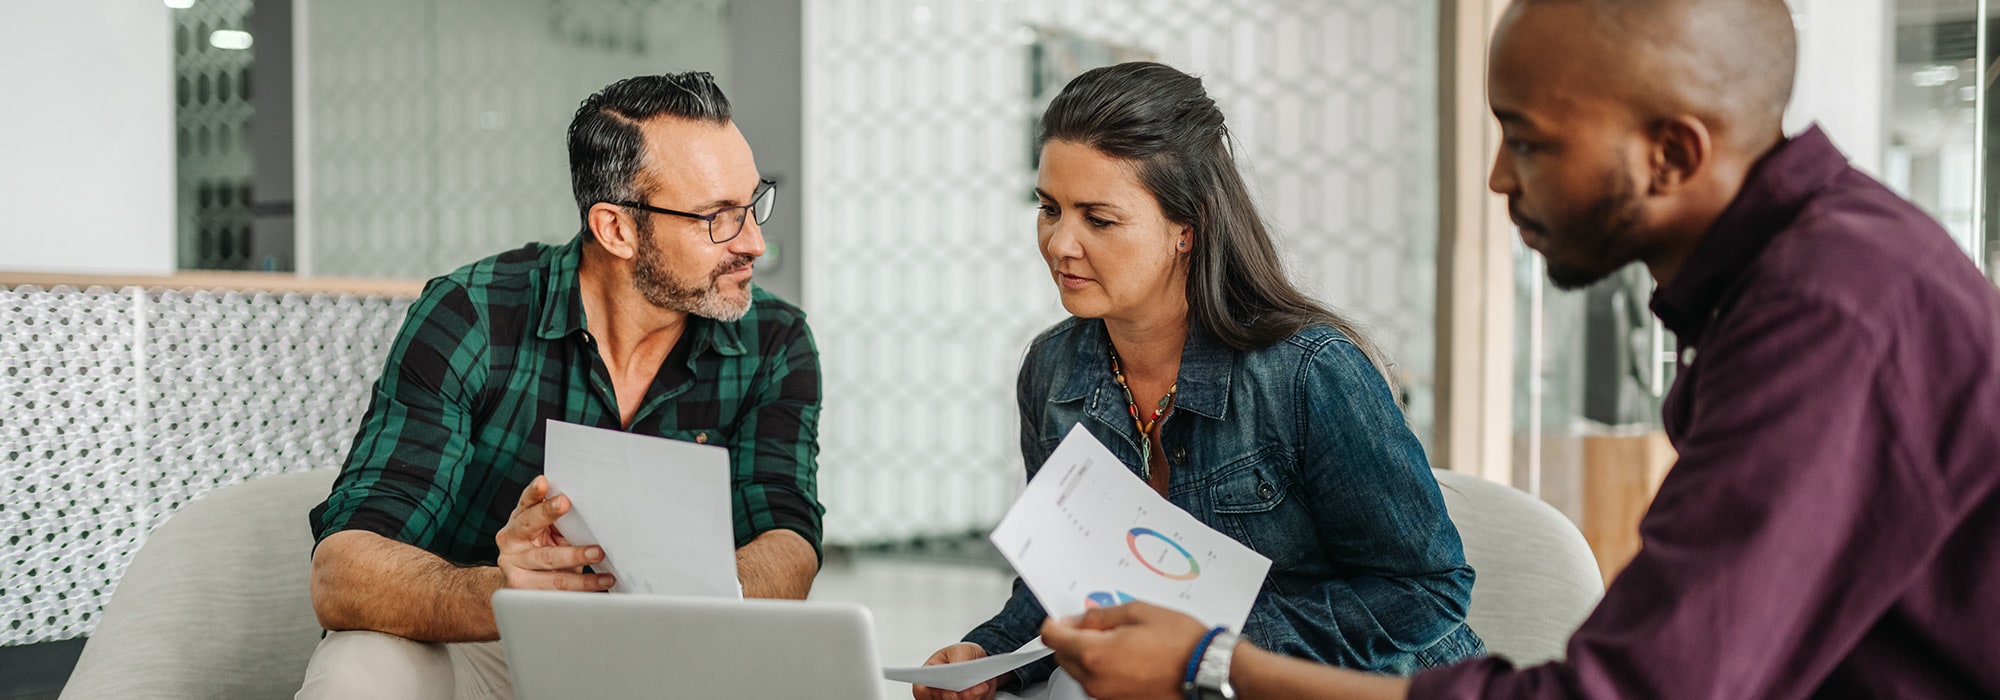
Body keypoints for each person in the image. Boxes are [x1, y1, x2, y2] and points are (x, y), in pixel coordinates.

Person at [1037, 1, 2000, 698]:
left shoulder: (1835, 317)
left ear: (1673, 154)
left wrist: (1213, 659)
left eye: (1529, 142)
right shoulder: (1787, 287)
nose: (1498, 177)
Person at [913, 62, 1484, 700]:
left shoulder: (1308, 373)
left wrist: (1206, 652)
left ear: (1188, 228)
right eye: (1049, 209)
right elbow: (1063, 583)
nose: (1059, 243)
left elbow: (1426, 591)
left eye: (1098, 219)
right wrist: (990, 655)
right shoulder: (1051, 372)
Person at [297, 72, 824, 698]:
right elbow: (342, 573)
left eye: (754, 203)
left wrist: (696, 599)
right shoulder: (473, 315)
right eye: (719, 219)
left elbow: (789, 540)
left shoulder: (775, 342)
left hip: (670, 653)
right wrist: (504, 589)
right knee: (358, 669)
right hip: (484, 642)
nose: (755, 243)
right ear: (617, 229)